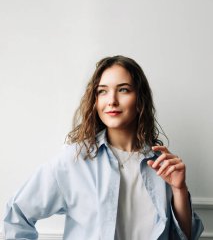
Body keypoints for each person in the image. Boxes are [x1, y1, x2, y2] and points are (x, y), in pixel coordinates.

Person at [4, 55, 204, 240]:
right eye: (102, 91)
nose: (112, 101)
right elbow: (17, 215)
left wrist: (179, 189)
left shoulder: (161, 165)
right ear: (95, 100)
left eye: (123, 89)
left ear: (140, 99)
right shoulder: (75, 160)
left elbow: (184, 236)